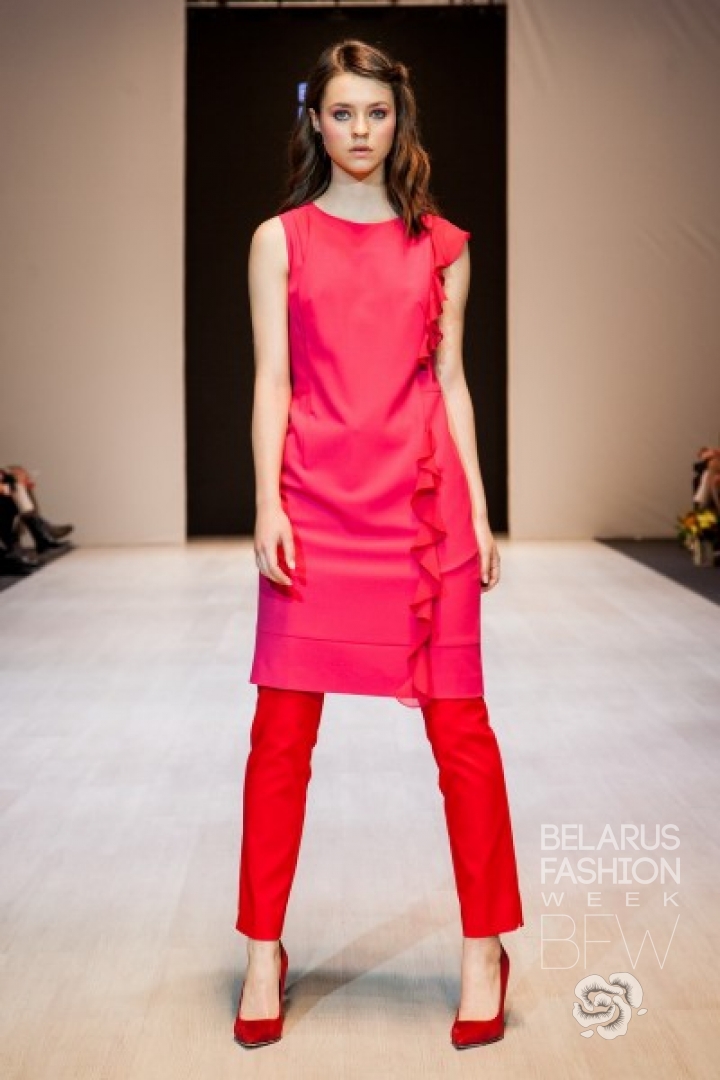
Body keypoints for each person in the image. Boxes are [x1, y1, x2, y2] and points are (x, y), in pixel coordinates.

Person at [234, 39, 524, 1051]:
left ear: (400, 122)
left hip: (422, 514)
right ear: (314, 122)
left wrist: (479, 508)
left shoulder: (443, 244)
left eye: (377, 113)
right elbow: (272, 380)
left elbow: (451, 382)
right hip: (314, 506)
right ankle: (262, 948)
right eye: (342, 113)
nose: (360, 131)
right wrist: (266, 503)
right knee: (280, 739)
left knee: (462, 735)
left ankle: (484, 947)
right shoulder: (280, 240)